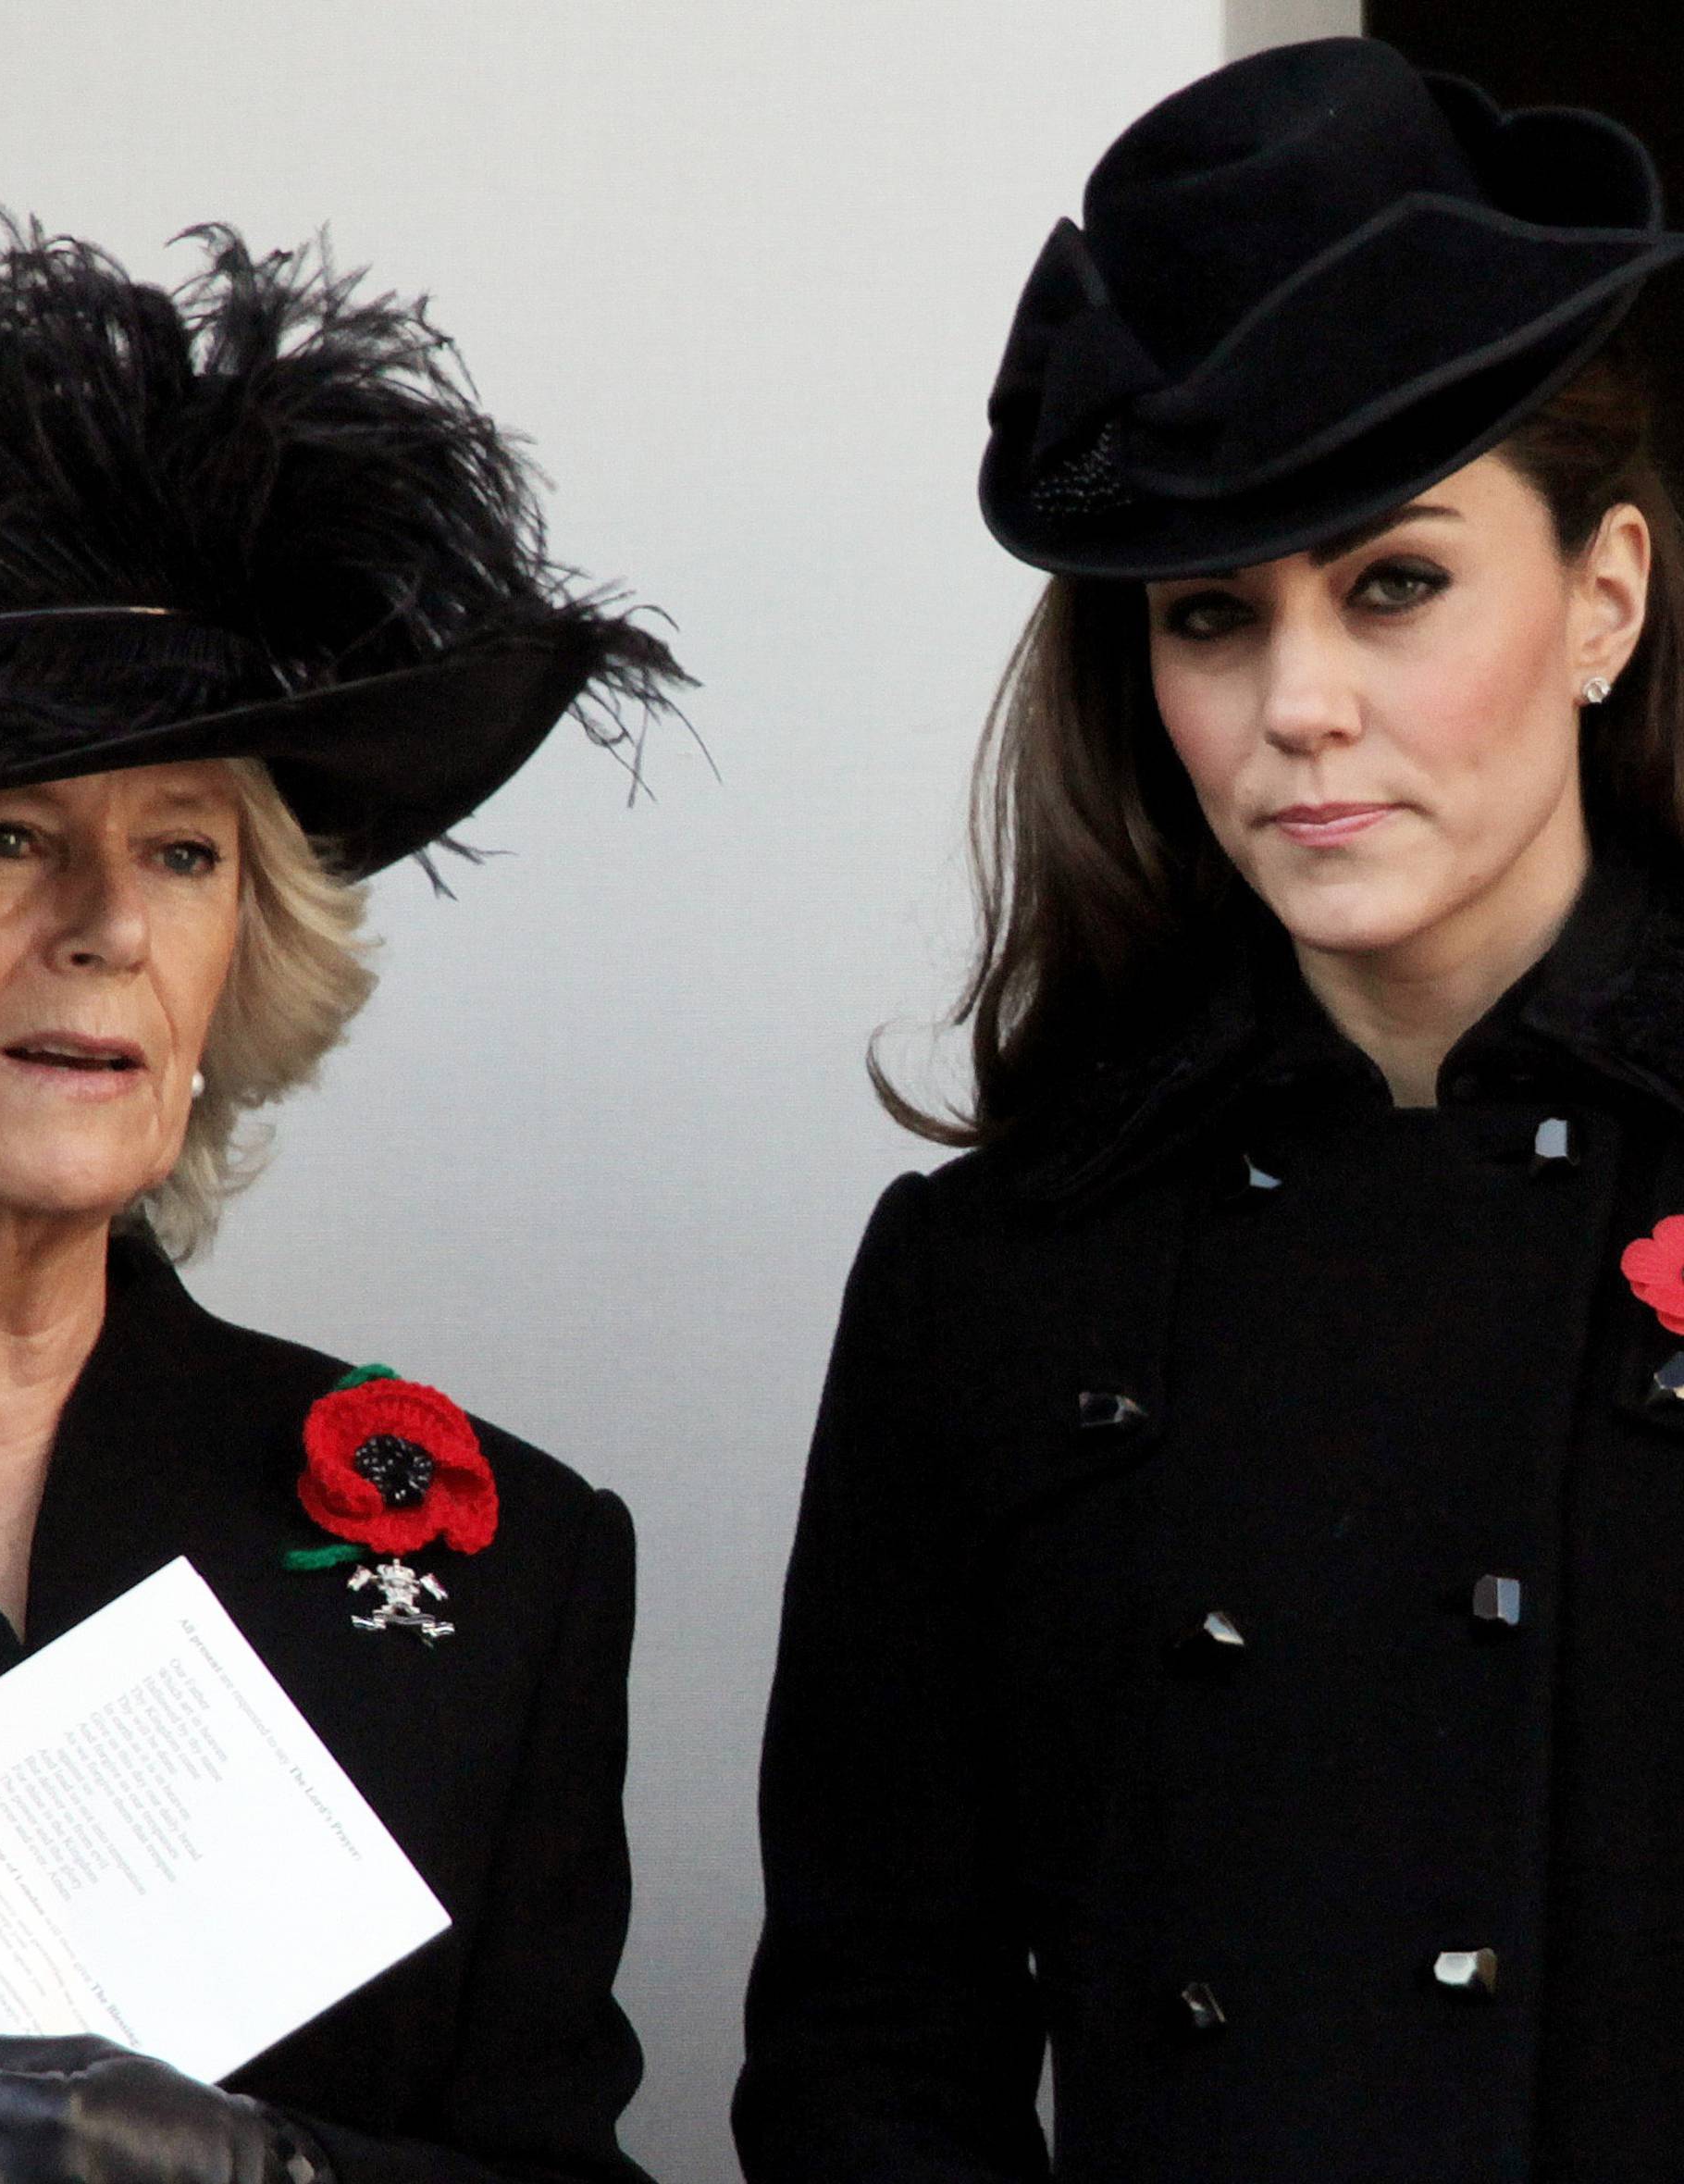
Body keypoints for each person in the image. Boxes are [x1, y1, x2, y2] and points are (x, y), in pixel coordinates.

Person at [734, 37, 1684, 2183]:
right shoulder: (996, 1278)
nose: (1299, 706)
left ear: (1604, 595)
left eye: (1395, 582)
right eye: (1209, 616)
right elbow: (877, 2051)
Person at [0, 220, 680, 2184]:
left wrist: (279, 2177)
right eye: (7, 834)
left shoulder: (507, 1566)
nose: (103, 927)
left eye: (180, 850)